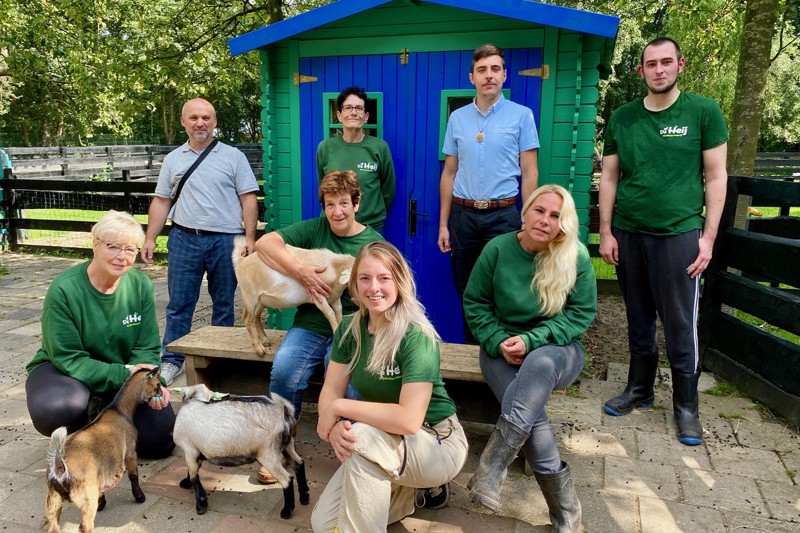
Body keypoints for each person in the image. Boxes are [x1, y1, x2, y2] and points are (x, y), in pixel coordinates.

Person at [599, 37, 728, 446]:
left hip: (679, 234)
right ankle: (640, 389)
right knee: (637, 314)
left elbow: (716, 176)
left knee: (679, 321)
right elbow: (610, 176)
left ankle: (686, 407)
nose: (658, 69)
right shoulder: (623, 117)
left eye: (666, 62)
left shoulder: (703, 112)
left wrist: (707, 238)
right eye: (651, 64)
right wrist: (605, 230)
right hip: (629, 233)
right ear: (640, 71)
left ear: (679, 65)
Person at [311, 241, 469, 532]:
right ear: (355, 287)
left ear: (400, 282)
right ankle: (405, 493)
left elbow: (409, 420)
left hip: (436, 441)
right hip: (385, 439)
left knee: (360, 437)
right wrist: (332, 428)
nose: (374, 288)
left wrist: (340, 408)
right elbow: (331, 390)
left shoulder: (416, 336)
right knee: (323, 524)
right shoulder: (349, 329)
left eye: (384, 278)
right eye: (365, 278)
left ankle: (418, 484)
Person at [463, 185, 596, 531]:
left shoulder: (575, 255)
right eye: (540, 211)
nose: (545, 220)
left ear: (563, 224)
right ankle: (566, 514)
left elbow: (580, 315)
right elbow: (475, 303)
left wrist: (532, 340)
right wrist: (498, 339)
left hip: (559, 350)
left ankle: (492, 468)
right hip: (500, 348)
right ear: (525, 212)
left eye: (555, 216)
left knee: (539, 364)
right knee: (533, 419)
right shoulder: (497, 249)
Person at [253, 169, 382, 483]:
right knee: (283, 369)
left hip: (353, 327)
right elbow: (266, 243)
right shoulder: (314, 229)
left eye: (343, 203)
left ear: (356, 203)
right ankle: (280, 446)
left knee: (346, 380)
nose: (336, 211)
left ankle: (353, 450)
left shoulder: (372, 241)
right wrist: (300, 272)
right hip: (310, 324)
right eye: (329, 205)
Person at [25, 210, 175, 459]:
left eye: (130, 249)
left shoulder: (140, 286)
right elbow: (68, 356)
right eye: (113, 246)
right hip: (66, 373)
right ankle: (87, 422)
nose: (121, 257)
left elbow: (147, 347)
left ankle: (104, 411)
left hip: (124, 372)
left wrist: (151, 382)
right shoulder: (64, 289)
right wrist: (126, 375)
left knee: (160, 440)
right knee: (57, 410)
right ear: (95, 245)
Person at [141, 97, 260, 386]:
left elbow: (249, 199)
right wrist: (149, 238)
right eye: (194, 117)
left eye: (206, 117)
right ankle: (171, 361)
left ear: (215, 122)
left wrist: (250, 238)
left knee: (223, 304)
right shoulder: (173, 159)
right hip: (184, 238)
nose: (200, 123)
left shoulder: (233, 157)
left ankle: (218, 362)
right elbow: (162, 200)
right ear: (184, 122)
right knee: (180, 304)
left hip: (225, 241)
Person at [438, 43, 540, 342]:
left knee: (504, 290)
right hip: (463, 217)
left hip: (504, 217)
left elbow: (530, 172)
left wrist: (527, 218)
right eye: (482, 70)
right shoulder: (457, 118)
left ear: (504, 75)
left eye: (495, 69)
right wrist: (444, 224)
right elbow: (449, 172)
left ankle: (502, 360)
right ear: (472, 77)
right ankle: (473, 360)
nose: (489, 76)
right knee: (468, 291)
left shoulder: (522, 116)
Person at [316, 86, 396, 234]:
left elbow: (388, 190)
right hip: (334, 225)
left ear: (365, 117)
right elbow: (323, 186)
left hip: (370, 227)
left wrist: (371, 212)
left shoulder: (380, 147)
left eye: (359, 108)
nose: (353, 112)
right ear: (339, 115)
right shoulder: (325, 148)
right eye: (348, 108)